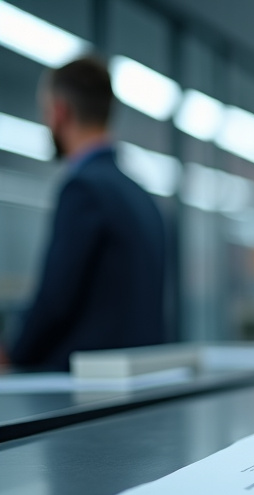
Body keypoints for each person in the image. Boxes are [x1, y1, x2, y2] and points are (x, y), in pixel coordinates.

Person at [5, 57, 166, 371]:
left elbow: (55, 301)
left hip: (83, 386)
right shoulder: (143, 197)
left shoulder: (83, 189)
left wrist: (14, 353)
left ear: (61, 112)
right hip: (137, 384)